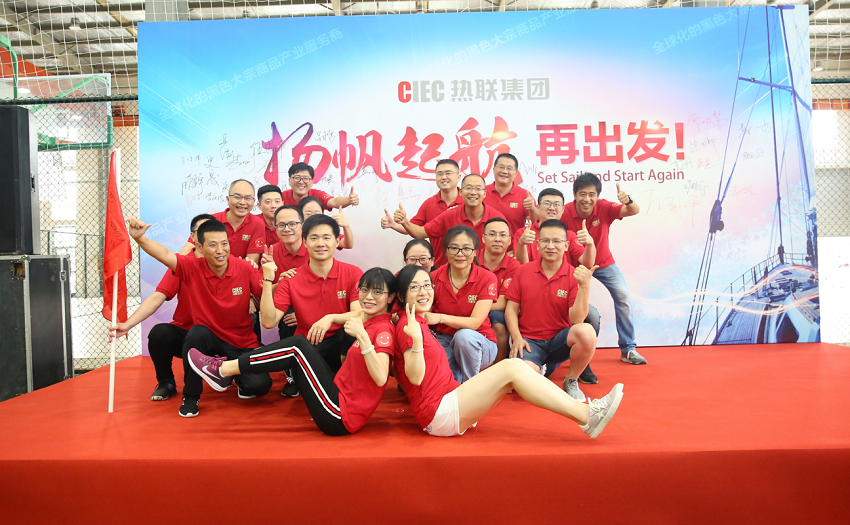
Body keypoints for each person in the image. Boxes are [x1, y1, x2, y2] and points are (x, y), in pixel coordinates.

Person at [393, 264, 624, 439]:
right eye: (414, 287)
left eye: (427, 285)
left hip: (451, 399)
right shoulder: (408, 327)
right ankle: (586, 416)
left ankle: (586, 413)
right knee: (512, 367)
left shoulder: (419, 321)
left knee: (514, 370)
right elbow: (414, 377)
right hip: (439, 412)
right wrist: (416, 341)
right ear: (402, 296)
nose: (423, 291)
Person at [188, 268, 398, 436]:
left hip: (340, 414)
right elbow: (355, 315)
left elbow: (381, 378)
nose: (368, 297)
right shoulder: (369, 319)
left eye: (377, 292)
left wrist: (362, 338)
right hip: (337, 394)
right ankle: (225, 370)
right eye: (364, 290)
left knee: (297, 346)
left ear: (390, 298)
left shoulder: (383, 331)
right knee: (299, 345)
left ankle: (223, 370)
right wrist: (331, 317)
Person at [127, 217, 271, 417]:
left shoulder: (244, 267)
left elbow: (266, 294)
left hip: (239, 343)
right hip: (206, 341)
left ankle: (231, 375)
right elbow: (165, 255)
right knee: (195, 333)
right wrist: (139, 238)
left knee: (259, 386)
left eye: (224, 244)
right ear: (199, 247)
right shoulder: (191, 266)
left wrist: (274, 278)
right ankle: (191, 395)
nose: (220, 250)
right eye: (212, 245)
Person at [108, 213, 213, 401]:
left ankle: (234, 374)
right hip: (187, 335)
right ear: (193, 237)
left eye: (212, 230)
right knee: (159, 333)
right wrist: (128, 324)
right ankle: (166, 382)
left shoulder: (227, 262)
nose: (208, 235)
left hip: (217, 336)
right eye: (202, 231)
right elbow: (158, 296)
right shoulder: (180, 264)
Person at [514, 188, 602, 384]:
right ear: (537, 207)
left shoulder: (569, 235)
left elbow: (586, 263)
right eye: (547, 203)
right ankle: (537, 361)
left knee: (591, 316)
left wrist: (590, 245)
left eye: (557, 205)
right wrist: (521, 245)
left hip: (563, 293)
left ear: (563, 209)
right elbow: (522, 266)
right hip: (533, 291)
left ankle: (581, 363)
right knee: (525, 380)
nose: (552, 208)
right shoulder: (525, 233)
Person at [505, 220, 599, 401]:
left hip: (559, 341)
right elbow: (511, 309)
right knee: (522, 381)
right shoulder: (523, 271)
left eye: (556, 241)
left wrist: (584, 287)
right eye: (545, 241)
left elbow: (577, 320)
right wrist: (516, 337)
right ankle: (541, 369)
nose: (550, 246)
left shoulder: (573, 275)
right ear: (537, 244)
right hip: (530, 342)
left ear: (566, 246)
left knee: (586, 331)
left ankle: (571, 380)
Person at [259, 214, 363, 378]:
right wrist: (267, 280)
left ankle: (345, 380)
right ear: (305, 242)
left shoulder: (352, 272)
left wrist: (330, 318)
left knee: (352, 331)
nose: (320, 243)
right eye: (314, 238)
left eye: (326, 238)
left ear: (337, 241)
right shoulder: (292, 279)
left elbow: (359, 313)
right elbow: (268, 321)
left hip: (341, 344)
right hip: (309, 344)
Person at [562, 173, 647, 366]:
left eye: (592, 194)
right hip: (574, 265)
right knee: (566, 303)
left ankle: (628, 348)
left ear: (597, 196)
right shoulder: (565, 212)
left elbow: (633, 210)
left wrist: (628, 200)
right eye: (582, 194)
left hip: (603, 263)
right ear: (574, 195)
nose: (587, 199)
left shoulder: (604, 207)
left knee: (623, 297)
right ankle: (563, 350)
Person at [425, 226, 499, 383]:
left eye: (466, 249)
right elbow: (426, 313)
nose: (460, 254)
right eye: (454, 248)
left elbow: (475, 322)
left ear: (475, 252)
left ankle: (471, 385)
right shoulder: (433, 277)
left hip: (479, 341)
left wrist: (440, 318)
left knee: (463, 336)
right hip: (445, 339)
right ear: (445, 251)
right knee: (444, 377)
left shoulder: (487, 278)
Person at [394, 174, 506, 257]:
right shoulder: (449, 215)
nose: (473, 192)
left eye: (478, 188)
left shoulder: (497, 218)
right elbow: (421, 232)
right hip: (456, 270)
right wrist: (405, 222)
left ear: (484, 193)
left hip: (486, 273)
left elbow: (505, 246)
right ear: (461, 192)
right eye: (468, 188)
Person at [381, 158, 463, 267]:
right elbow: (413, 228)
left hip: (465, 264)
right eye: (439, 174)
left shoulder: (468, 203)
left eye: (448, 173)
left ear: (458, 177)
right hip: (437, 266)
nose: (444, 177)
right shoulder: (429, 203)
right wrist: (394, 224)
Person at [177, 179, 265, 264]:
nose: (242, 202)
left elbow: (252, 260)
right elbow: (187, 250)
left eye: (248, 198)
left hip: (238, 271)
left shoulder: (257, 223)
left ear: (253, 201)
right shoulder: (211, 220)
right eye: (237, 197)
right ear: (228, 199)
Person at [479, 217, 522, 363]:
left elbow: (502, 303)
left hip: (494, 313)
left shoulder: (514, 266)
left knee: (498, 319)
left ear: (509, 240)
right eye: (492, 234)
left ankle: (499, 367)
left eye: (502, 235)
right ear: (483, 238)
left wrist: (473, 307)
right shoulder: (472, 258)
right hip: (469, 311)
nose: (497, 239)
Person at [483, 153, 537, 233]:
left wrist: (532, 209)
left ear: (515, 173)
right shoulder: (482, 192)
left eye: (509, 168)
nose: (504, 171)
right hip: (484, 240)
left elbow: (535, 225)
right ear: (494, 169)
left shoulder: (524, 195)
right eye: (501, 167)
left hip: (515, 241)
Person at [283, 162, 359, 210]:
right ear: (289, 181)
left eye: (306, 178)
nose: (301, 182)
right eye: (297, 178)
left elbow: (334, 202)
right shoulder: (281, 197)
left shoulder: (317, 195)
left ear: (311, 182)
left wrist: (349, 200)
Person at [255, 184, 284, 249]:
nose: (273, 206)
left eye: (277, 201)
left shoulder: (290, 224)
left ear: (282, 204)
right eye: (268, 202)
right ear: (259, 206)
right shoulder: (253, 222)